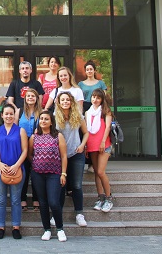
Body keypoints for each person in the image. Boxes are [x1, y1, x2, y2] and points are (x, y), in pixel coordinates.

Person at [28, 110, 68, 242]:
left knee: (54, 202)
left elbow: (63, 156)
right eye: (41, 119)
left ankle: (60, 229)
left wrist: (63, 173)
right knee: (43, 203)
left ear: (51, 122)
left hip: (54, 173)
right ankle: (47, 229)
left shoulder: (58, 136)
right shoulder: (34, 137)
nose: (43, 121)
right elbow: (29, 154)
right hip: (37, 174)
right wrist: (37, 163)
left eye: (46, 119)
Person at [0, 104, 28, 239]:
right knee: (1, 199)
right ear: (2, 115)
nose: (9, 116)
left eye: (11, 114)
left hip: (17, 169)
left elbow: (25, 150)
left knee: (16, 200)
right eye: (6, 114)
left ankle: (16, 227)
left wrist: (17, 165)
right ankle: (0, 227)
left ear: (14, 115)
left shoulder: (21, 131)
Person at [54, 91, 89, 227]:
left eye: (67, 100)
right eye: (62, 100)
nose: (65, 102)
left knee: (76, 185)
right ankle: (57, 215)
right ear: (58, 102)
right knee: (61, 185)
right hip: (60, 155)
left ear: (71, 101)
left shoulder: (78, 116)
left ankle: (79, 214)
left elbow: (86, 133)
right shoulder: (54, 116)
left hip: (76, 154)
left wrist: (82, 145)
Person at [86, 88, 114, 213]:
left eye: (98, 97)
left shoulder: (106, 111)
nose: (95, 99)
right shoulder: (88, 112)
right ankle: (100, 198)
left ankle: (109, 198)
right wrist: (86, 146)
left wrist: (103, 141)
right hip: (92, 145)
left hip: (104, 145)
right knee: (96, 173)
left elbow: (107, 127)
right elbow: (86, 130)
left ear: (102, 99)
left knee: (101, 172)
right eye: (93, 97)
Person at [77, 60, 107, 173]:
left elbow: (104, 97)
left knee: (97, 133)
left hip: (98, 108)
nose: (89, 71)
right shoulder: (80, 84)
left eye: (91, 69)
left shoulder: (101, 83)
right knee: (86, 133)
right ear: (85, 71)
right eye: (87, 69)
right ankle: (87, 161)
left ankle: (94, 163)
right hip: (85, 108)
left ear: (94, 70)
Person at [15, 88, 42, 211]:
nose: (30, 98)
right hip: (23, 146)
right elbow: (15, 129)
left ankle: (37, 199)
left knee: (36, 174)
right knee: (24, 173)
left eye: (33, 96)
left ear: (37, 98)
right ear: (25, 98)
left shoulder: (42, 112)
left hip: (38, 146)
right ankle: (22, 199)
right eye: (28, 96)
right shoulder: (19, 111)